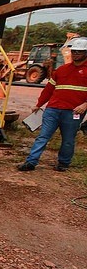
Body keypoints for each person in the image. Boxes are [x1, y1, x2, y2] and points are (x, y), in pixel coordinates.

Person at [18, 36, 87, 172]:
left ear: (86, 53)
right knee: (43, 136)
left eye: (79, 52)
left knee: (68, 139)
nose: (75, 54)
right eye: (74, 51)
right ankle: (31, 162)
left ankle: (63, 164)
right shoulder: (61, 70)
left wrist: (85, 104)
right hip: (53, 109)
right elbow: (49, 89)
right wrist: (39, 104)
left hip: (73, 112)